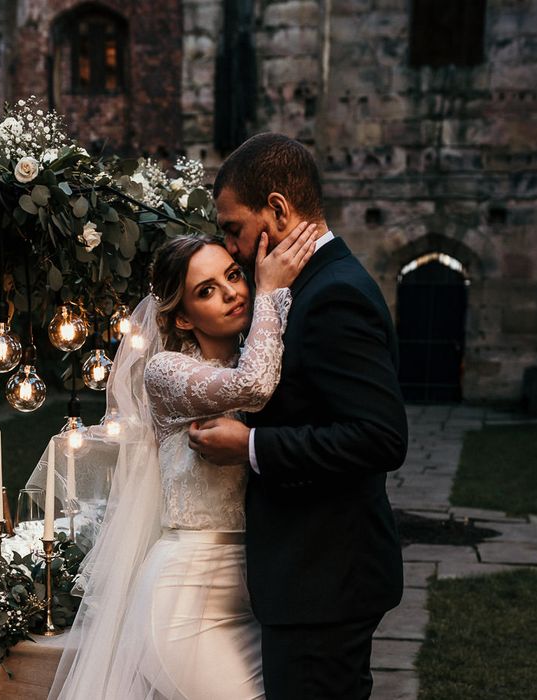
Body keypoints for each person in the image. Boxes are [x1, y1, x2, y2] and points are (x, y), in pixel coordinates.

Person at [48, 222, 317, 699]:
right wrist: (271, 290)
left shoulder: (261, 351)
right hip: (186, 596)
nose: (234, 293)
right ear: (184, 318)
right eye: (207, 291)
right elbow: (252, 388)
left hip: (253, 592)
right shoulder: (166, 372)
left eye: (235, 275)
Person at [188, 133, 408, 699]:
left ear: (278, 209)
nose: (231, 247)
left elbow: (380, 437)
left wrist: (251, 446)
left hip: (326, 579)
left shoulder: (334, 295)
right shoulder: (296, 287)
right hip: (309, 579)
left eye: (233, 227)